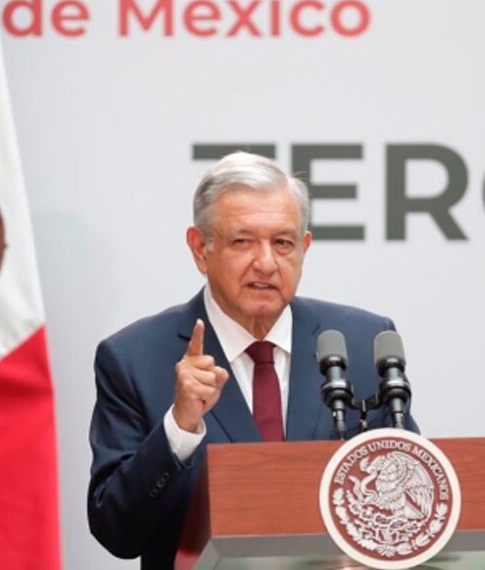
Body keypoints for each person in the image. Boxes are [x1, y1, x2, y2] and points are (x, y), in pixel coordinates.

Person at [87, 151, 416, 567]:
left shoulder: (362, 342)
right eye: (243, 241)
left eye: (283, 243)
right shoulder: (134, 358)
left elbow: (409, 501)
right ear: (200, 248)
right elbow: (117, 531)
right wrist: (180, 428)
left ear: (305, 247)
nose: (266, 263)